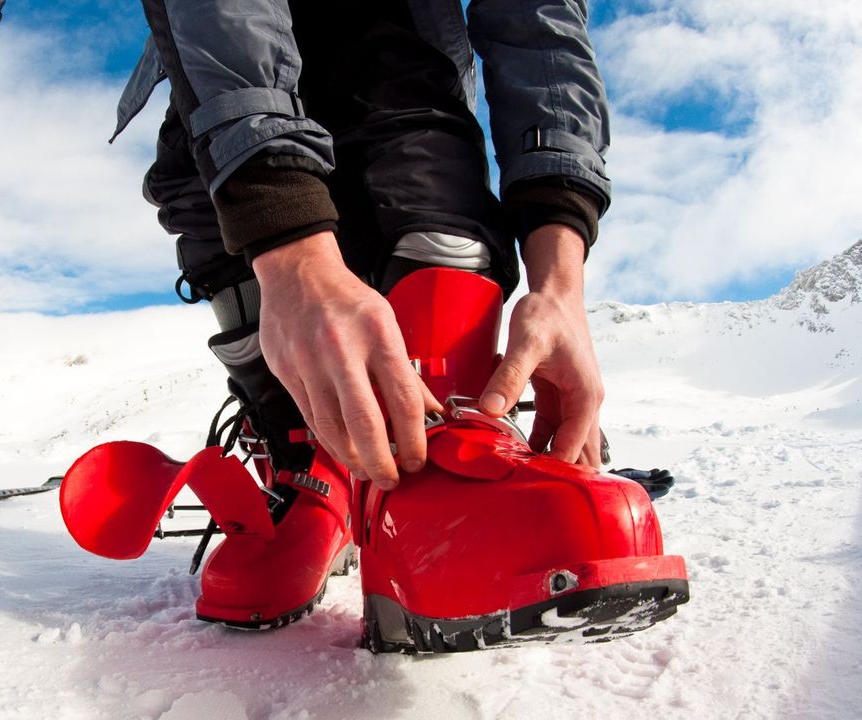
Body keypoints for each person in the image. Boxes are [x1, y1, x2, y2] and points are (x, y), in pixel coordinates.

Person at [104, 0, 618, 632]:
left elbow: (538, 24)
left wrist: (559, 279)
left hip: (399, 42)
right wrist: (288, 242)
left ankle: (449, 451)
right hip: (220, 49)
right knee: (218, 222)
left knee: (427, 203)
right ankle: (308, 464)